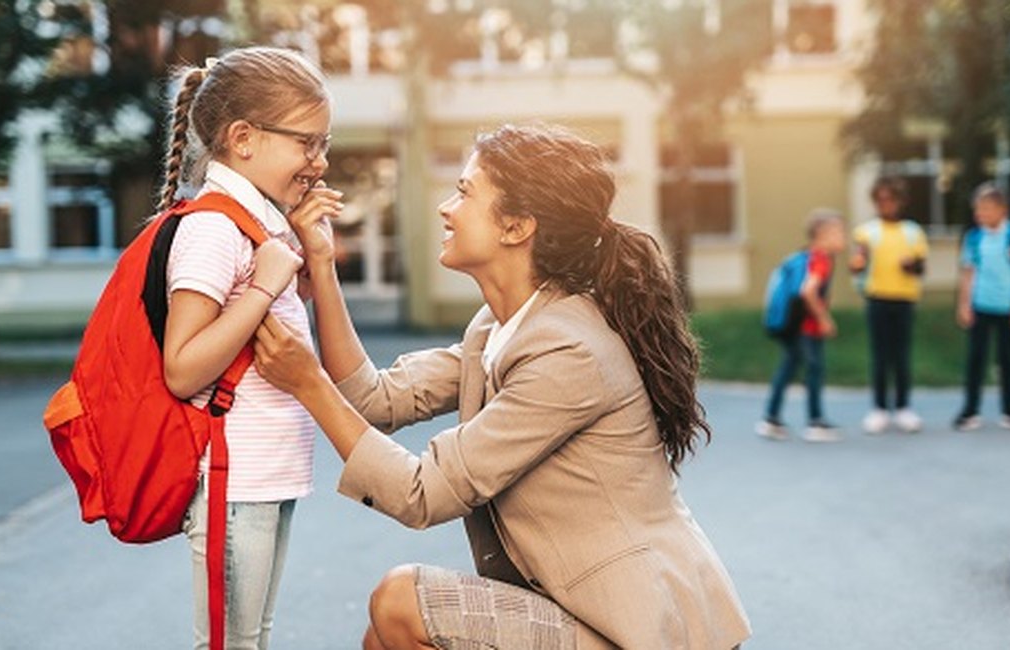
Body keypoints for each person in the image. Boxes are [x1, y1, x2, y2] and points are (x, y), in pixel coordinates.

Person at [253, 124, 751, 649]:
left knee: (400, 600)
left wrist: (308, 383)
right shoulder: (498, 329)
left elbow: (422, 493)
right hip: (578, 610)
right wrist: (324, 266)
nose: (447, 209)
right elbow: (375, 399)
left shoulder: (567, 350)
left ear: (515, 227)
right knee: (381, 637)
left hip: (642, 631)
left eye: (465, 192)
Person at [158, 46, 345, 649]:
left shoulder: (259, 222)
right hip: (232, 478)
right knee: (231, 644)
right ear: (243, 138)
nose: (318, 162)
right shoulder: (214, 228)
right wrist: (266, 280)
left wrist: (308, 252)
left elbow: (270, 328)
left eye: (324, 143)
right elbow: (183, 367)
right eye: (306, 143)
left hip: (267, 474)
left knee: (251, 639)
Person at [755, 209, 847, 443]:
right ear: (822, 235)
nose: (843, 237)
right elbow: (808, 291)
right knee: (814, 370)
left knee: (788, 367)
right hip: (807, 327)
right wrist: (824, 319)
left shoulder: (808, 256)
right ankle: (816, 422)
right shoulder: (820, 259)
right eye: (839, 232)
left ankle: (771, 419)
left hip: (793, 325)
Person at [849, 177, 929, 434]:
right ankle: (879, 409)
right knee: (880, 356)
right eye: (880, 199)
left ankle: (904, 408)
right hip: (877, 297)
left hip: (904, 298)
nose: (886, 204)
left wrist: (911, 266)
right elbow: (857, 262)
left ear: (900, 201)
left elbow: (921, 268)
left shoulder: (913, 231)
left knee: (902, 355)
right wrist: (857, 264)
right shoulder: (866, 231)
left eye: (890, 199)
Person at [954, 182, 1010, 431]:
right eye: (978, 209)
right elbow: (968, 274)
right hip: (980, 305)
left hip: (1007, 307)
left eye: (986, 209)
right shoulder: (974, 237)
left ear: (1002, 209)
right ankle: (970, 411)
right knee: (975, 359)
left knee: (1006, 360)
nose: (981, 214)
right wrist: (963, 304)